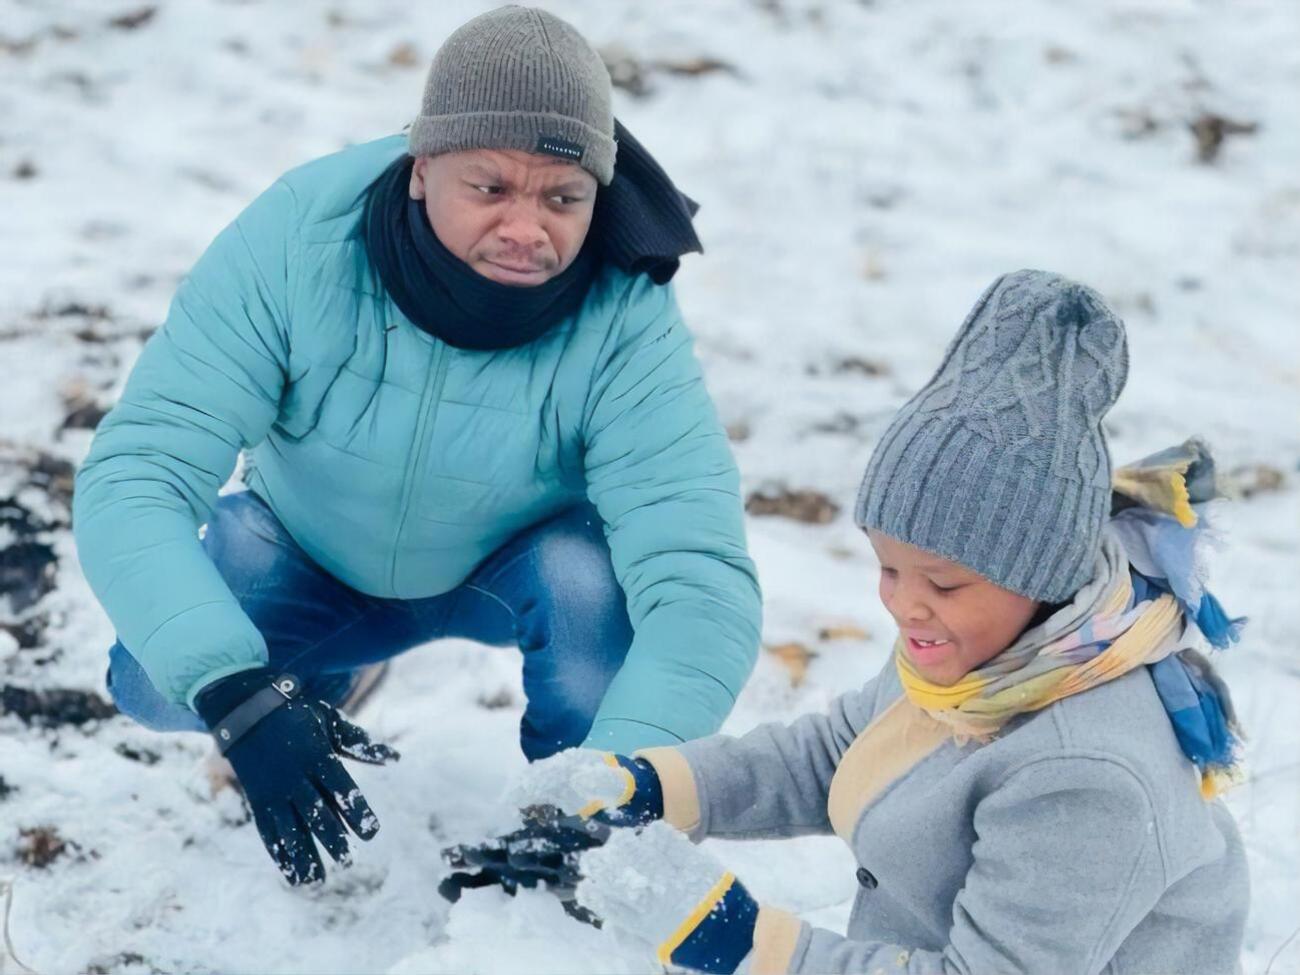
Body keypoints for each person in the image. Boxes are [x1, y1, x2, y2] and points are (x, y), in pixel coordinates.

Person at [72, 6, 761, 886]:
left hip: (518, 568)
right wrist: (236, 691)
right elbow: (140, 467)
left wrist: (617, 793)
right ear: (421, 167)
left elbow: (700, 578)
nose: (527, 228)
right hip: (310, 545)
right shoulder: (295, 242)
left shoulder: (627, 315)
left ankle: (564, 812)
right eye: (491, 189)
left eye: (563, 197)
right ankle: (314, 685)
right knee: (161, 678)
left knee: (602, 622)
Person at [517, 270, 1249, 974]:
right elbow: (838, 751)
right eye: (888, 566)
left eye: (943, 581)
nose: (903, 604)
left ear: (1042, 576)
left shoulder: (1085, 772)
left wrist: (745, 943)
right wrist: (654, 783)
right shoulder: (985, 657)